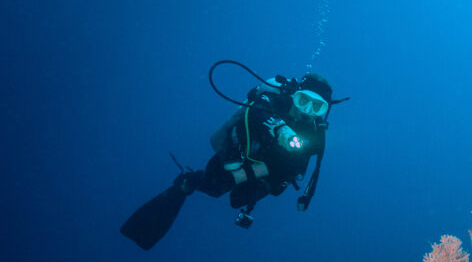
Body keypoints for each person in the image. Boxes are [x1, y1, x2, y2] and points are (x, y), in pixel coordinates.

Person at [121, 65, 342, 250]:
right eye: (303, 100)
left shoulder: (316, 132)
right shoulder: (272, 101)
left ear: (324, 110)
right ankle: (184, 186)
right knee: (212, 187)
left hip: (266, 172)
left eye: (317, 106)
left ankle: (205, 185)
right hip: (238, 157)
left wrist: (301, 196)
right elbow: (258, 110)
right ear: (295, 95)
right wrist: (279, 129)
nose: (307, 110)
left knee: (237, 201)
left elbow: (310, 171)